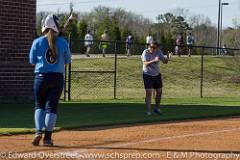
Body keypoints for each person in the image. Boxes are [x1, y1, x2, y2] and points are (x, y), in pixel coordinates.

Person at [29, 14, 71, 147]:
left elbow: (32, 61)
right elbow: (68, 61)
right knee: (51, 108)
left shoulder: (37, 42)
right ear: (56, 26)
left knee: (39, 106)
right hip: (57, 78)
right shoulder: (63, 42)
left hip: (40, 78)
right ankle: (47, 139)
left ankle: (37, 132)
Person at [141, 41, 170, 116]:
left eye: (154, 48)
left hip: (156, 75)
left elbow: (165, 62)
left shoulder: (158, 52)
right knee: (149, 92)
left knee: (159, 91)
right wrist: (154, 60)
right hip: (147, 74)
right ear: (149, 47)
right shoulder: (145, 52)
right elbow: (145, 64)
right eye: (151, 47)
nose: (153, 49)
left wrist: (167, 57)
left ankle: (157, 108)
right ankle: (148, 112)